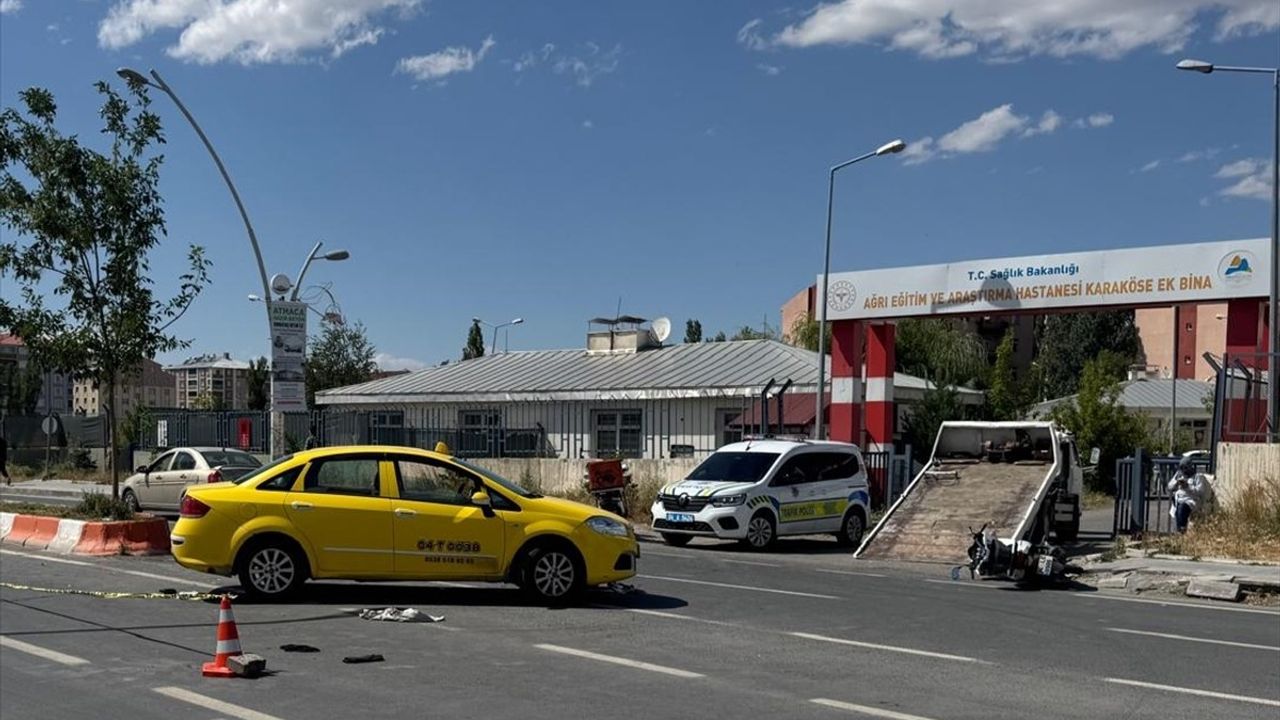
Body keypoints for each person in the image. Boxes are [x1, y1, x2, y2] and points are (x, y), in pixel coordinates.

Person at [1167, 458, 1208, 533]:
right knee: (1177, 510)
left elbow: (1200, 491)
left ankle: (1181, 530)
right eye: (1181, 468)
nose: (1183, 470)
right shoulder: (1178, 475)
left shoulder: (1197, 476)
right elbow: (1169, 486)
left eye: (1185, 468)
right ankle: (1179, 531)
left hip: (1190, 501)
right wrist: (1176, 482)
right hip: (1178, 500)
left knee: (1182, 508)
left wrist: (1187, 487)